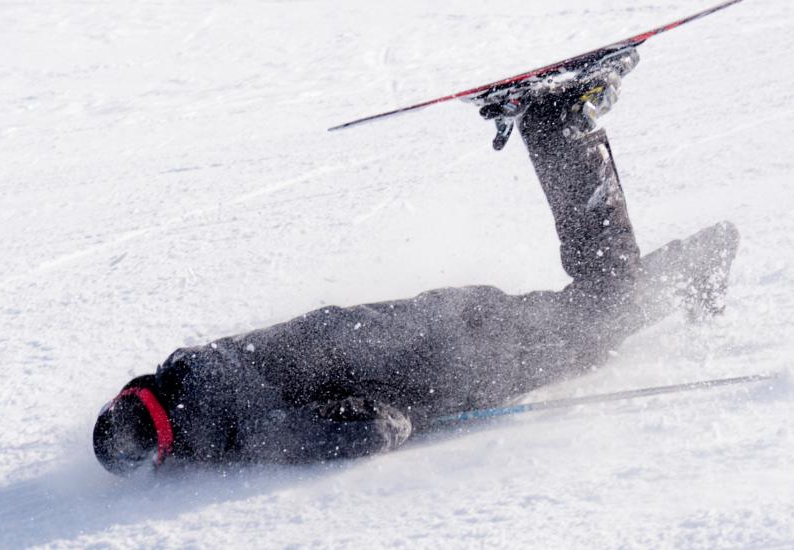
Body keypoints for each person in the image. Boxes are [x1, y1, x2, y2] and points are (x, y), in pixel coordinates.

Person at [93, 49, 739, 475]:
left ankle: (563, 119)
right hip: (436, 322)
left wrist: (397, 422)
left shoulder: (241, 426)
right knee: (595, 304)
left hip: (453, 364)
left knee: (602, 312)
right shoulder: (205, 368)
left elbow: (371, 427)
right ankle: (683, 254)